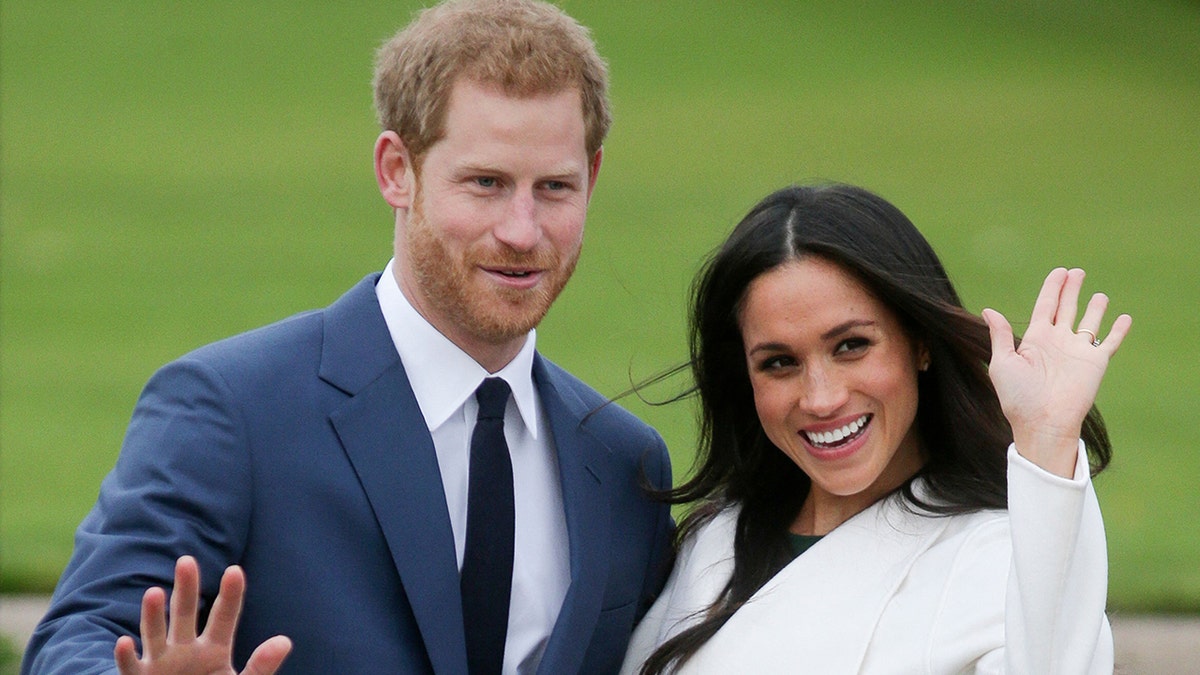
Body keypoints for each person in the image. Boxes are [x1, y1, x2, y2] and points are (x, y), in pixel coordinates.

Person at [21, 1, 674, 674]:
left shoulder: (626, 466)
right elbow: (82, 633)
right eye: (486, 183)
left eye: (555, 188)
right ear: (397, 170)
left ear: (592, 177)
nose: (521, 229)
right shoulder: (232, 410)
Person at [620, 184, 1130, 674]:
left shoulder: (995, 557)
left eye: (851, 346)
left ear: (919, 343)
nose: (821, 398)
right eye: (779, 362)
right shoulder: (716, 537)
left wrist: (1046, 441)